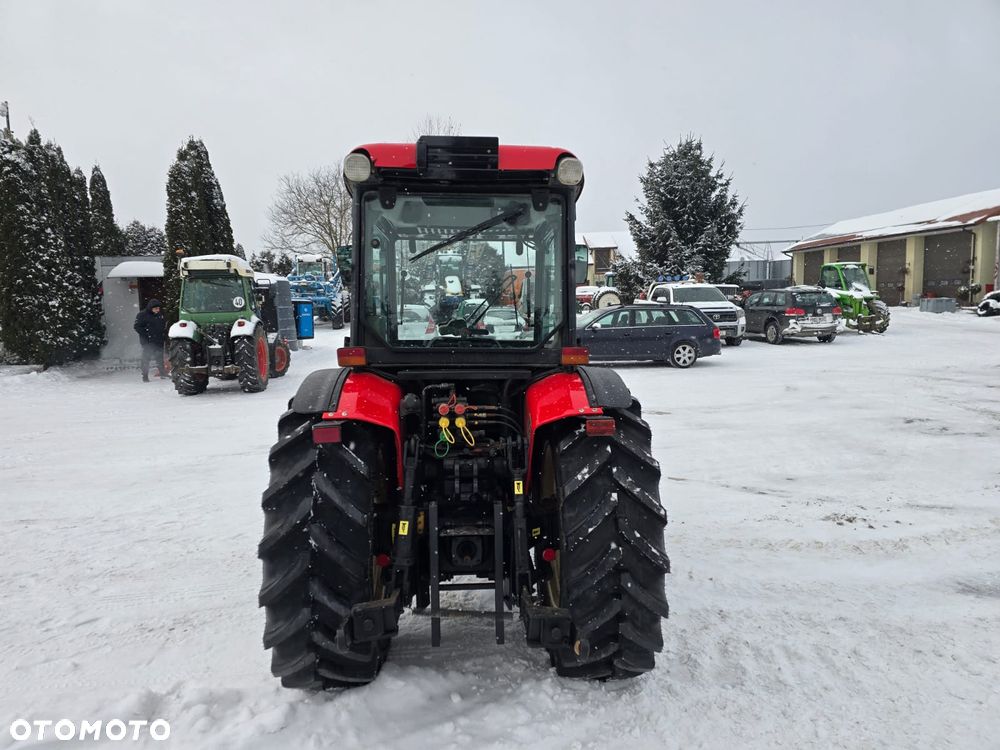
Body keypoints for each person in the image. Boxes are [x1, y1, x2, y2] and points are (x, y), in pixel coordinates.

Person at [134, 299, 166, 382]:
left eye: (158, 308)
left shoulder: (159, 315)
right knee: (146, 359)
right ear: (150, 308)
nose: (158, 310)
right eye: (156, 309)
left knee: (159, 358)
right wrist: (147, 334)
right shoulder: (142, 315)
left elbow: (162, 326)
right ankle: (145, 376)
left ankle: (163, 374)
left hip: (159, 340)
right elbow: (137, 327)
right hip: (148, 341)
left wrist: (163, 335)